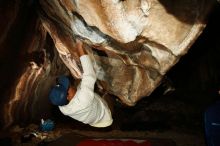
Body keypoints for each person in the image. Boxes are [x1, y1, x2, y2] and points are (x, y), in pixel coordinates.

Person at [49, 39, 113, 128]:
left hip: (92, 120)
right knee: (107, 95)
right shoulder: (83, 99)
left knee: (84, 86)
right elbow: (90, 75)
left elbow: (81, 88)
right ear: (68, 97)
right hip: (105, 117)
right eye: (68, 87)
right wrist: (80, 47)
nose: (70, 85)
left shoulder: (62, 108)